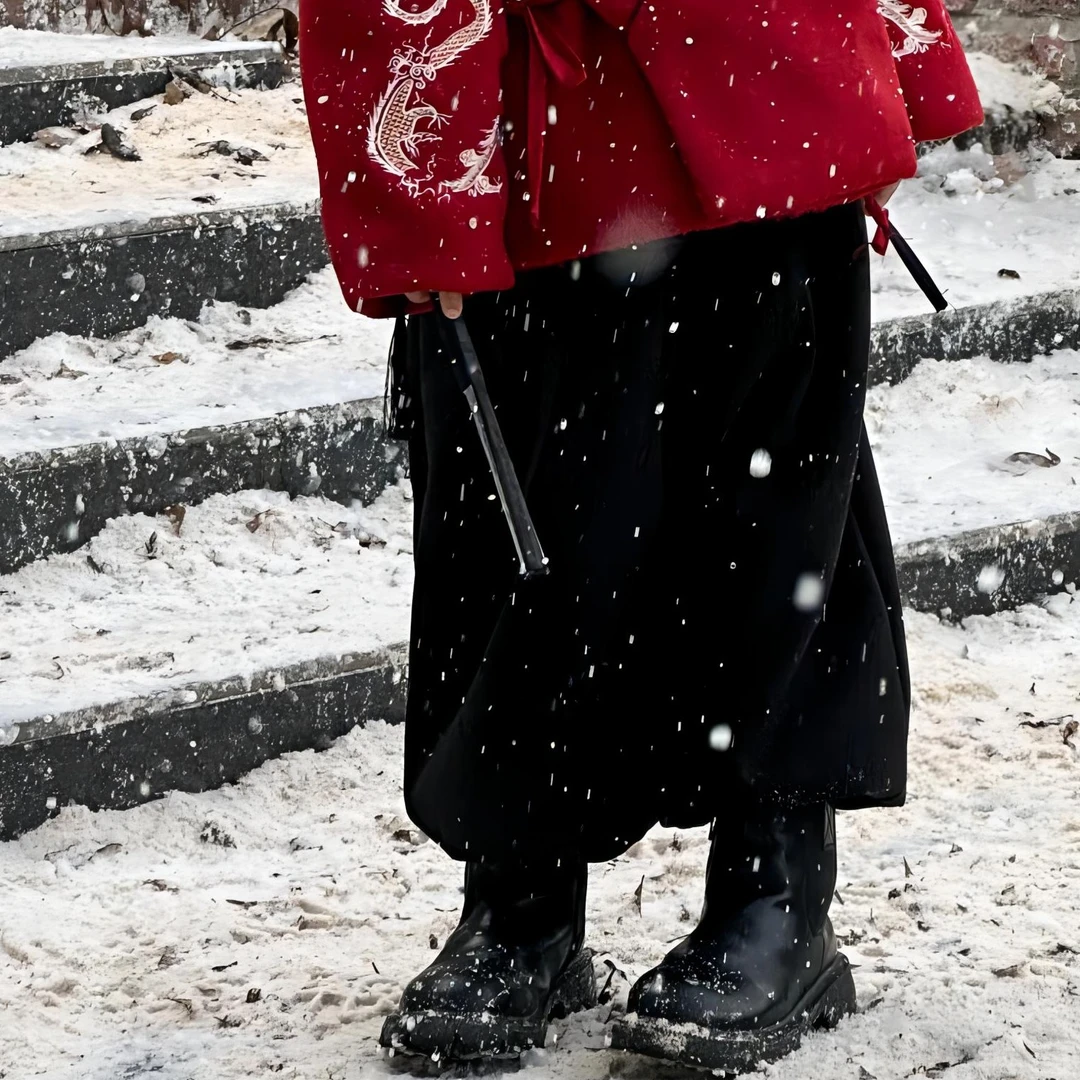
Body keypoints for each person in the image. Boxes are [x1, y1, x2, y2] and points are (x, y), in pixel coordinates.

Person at [299, 0, 982, 1070]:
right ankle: (520, 904)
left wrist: (890, 73)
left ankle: (777, 895)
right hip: (536, 129)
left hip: (770, 67)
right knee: (516, 522)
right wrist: (416, 192)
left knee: (783, 504)